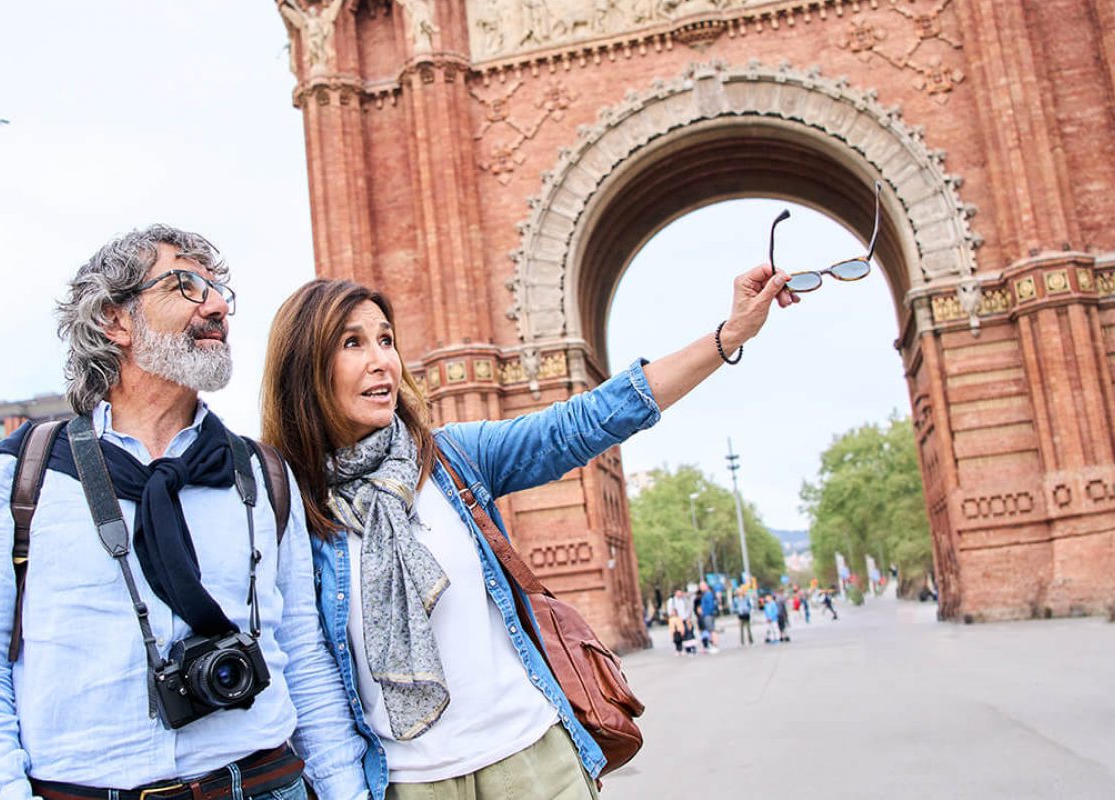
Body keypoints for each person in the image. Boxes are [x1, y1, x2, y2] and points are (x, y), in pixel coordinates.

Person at [260, 263, 794, 799]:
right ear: (306, 368)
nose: (381, 361)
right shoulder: (292, 510)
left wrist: (729, 336)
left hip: (537, 763)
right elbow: (310, 677)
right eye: (353, 343)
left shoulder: (450, 461)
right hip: (409, 784)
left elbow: (585, 422)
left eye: (387, 340)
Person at [0, 226, 368, 800]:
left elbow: (306, 659)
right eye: (185, 285)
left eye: (219, 291)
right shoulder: (26, 476)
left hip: (263, 784)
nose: (215, 305)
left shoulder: (263, 475)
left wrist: (346, 791)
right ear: (115, 321)